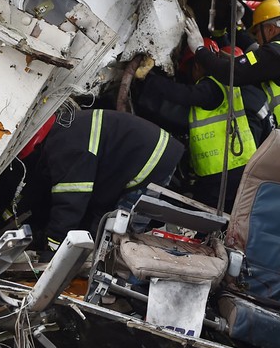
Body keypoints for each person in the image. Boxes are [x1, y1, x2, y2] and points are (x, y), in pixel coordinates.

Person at [19, 108, 185, 260]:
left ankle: (132, 281)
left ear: (36, 147)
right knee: (101, 231)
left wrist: (52, 252)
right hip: (150, 153)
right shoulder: (66, 129)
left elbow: (70, 205)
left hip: (150, 162)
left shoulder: (65, 146)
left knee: (118, 240)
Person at [138, 41, 271, 211]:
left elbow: (184, 95)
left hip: (223, 173)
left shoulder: (213, 84)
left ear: (197, 66)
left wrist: (150, 80)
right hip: (235, 169)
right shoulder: (235, 88)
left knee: (203, 217)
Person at [191, 0, 280, 134]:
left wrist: (199, 50)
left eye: (257, 32)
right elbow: (254, 52)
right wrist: (235, 26)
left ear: (270, 29)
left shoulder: (276, 52)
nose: (257, 38)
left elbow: (232, 73)